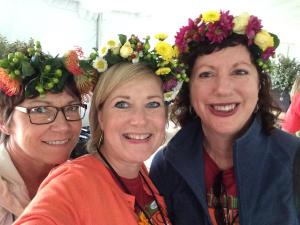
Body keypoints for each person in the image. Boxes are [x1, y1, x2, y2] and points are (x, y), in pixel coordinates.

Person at [14, 33, 186, 225]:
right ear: (100, 116)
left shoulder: (140, 173)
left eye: (153, 104)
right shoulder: (73, 183)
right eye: (122, 104)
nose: (140, 120)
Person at [150, 10, 300, 225]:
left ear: (259, 83)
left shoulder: (295, 159)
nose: (222, 89)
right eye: (206, 74)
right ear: (189, 88)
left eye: (239, 72)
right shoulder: (167, 165)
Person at [0, 41, 91, 224]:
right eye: (40, 110)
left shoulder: (83, 181)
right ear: (3, 121)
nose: (63, 126)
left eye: (72, 107)